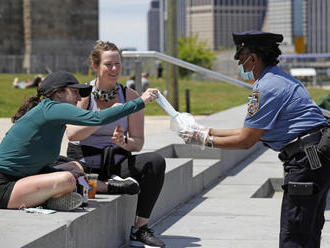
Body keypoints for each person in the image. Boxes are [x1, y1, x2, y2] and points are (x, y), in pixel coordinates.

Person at [179, 31, 330, 248]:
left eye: (241, 59)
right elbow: (249, 131)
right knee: (308, 232)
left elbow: (246, 141)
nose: (240, 64)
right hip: (315, 157)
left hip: (306, 161)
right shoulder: (279, 79)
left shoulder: (267, 87)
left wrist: (204, 140)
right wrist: (207, 131)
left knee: (294, 236)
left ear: (253, 58)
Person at [0, 71, 158, 212]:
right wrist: (140, 101)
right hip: (5, 186)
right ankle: (53, 199)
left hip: (24, 177)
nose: (79, 97)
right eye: (75, 92)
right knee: (67, 179)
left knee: (75, 167)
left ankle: (59, 195)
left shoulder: (51, 114)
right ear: (58, 92)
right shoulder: (52, 107)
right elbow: (96, 118)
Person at [65, 41, 166, 248]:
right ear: (95, 66)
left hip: (116, 163)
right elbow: (72, 133)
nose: (114, 69)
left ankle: (140, 227)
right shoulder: (83, 95)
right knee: (65, 178)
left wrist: (124, 142)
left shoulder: (130, 96)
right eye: (108, 65)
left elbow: (138, 143)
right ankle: (104, 187)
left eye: (117, 64)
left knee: (155, 162)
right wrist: (105, 115)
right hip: (85, 163)